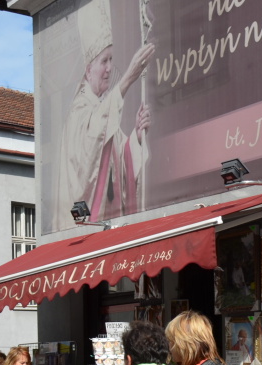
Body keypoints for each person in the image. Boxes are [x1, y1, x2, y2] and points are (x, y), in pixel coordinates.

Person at [54, 0, 154, 230]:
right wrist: (128, 77)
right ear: (88, 69)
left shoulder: (101, 110)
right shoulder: (79, 111)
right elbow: (92, 149)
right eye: (103, 61)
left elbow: (120, 170)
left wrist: (137, 138)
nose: (109, 68)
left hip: (109, 229)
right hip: (82, 231)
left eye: (111, 59)